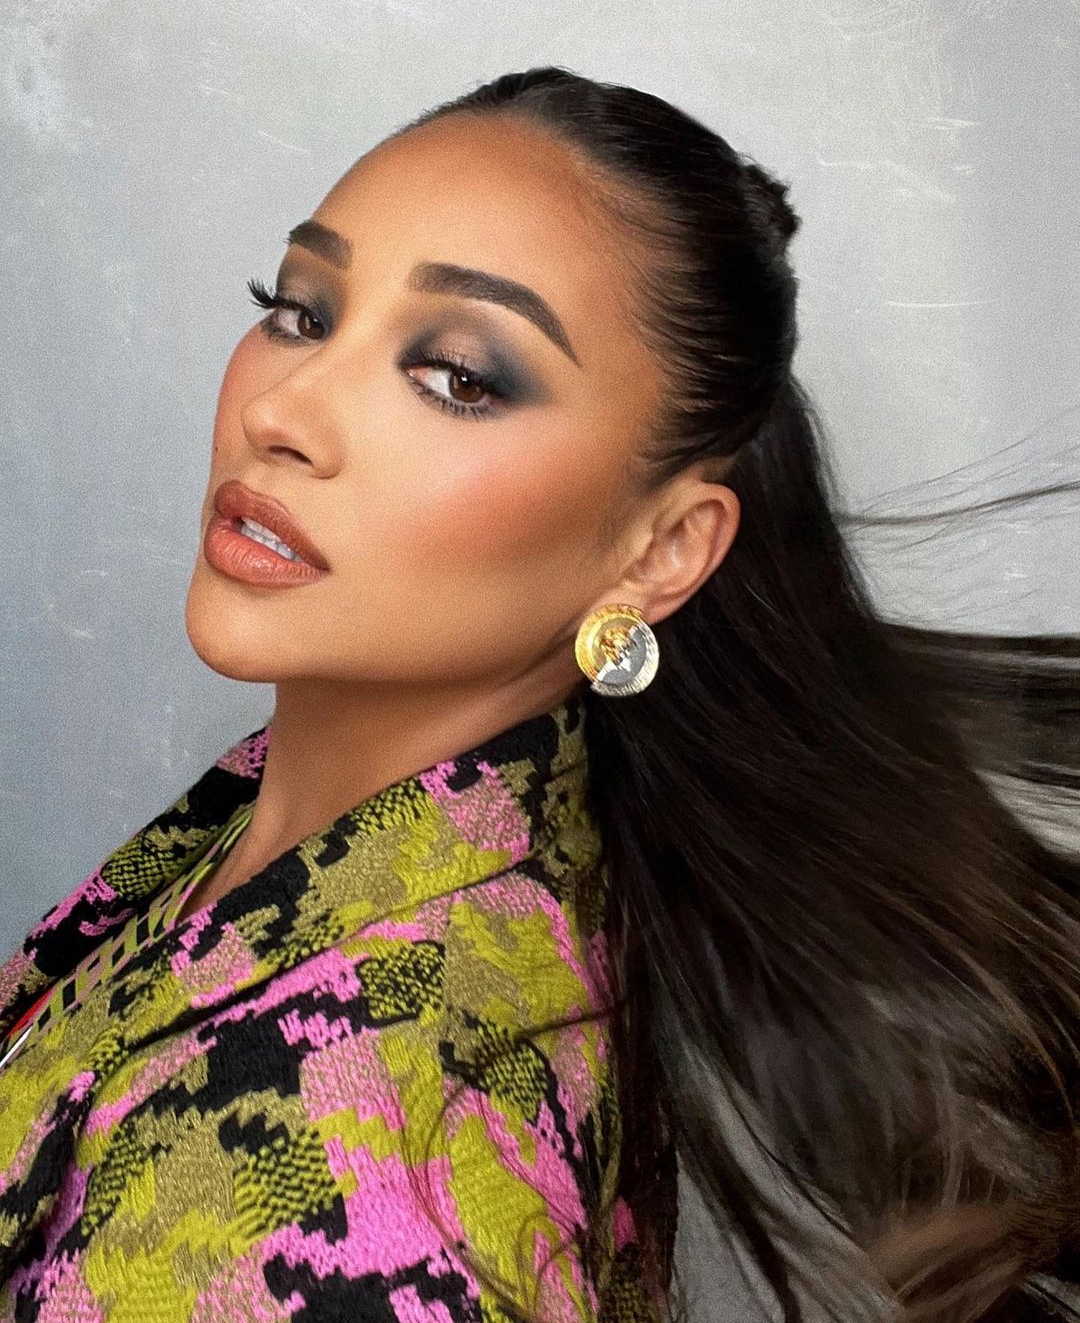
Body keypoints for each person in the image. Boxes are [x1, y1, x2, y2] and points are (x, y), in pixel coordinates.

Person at [1, 66, 1078, 1323]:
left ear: (661, 552)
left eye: (459, 376)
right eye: (298, 310)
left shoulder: (343, 1186)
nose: (282, 411)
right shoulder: (338, 819)